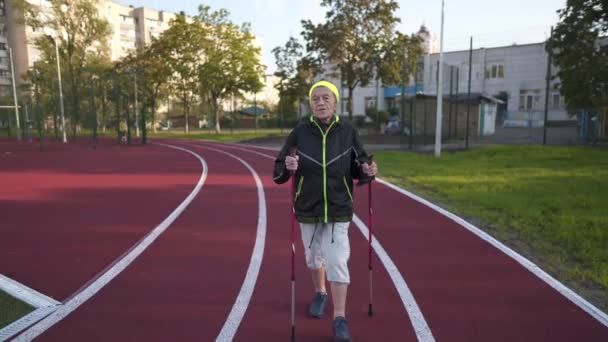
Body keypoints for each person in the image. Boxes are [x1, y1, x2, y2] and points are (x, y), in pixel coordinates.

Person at [273, 80, 378, 342]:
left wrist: (367, 170)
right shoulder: (300, 132)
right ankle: (320, 292)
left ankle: (339, 319)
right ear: (311, 104)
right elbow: (279, 170)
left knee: (338, 261)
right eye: (316, 99)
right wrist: (288, 166)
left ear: (335, 102)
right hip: (307, 206)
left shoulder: (347, 131)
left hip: (339, 207)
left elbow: (360, 162)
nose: (320, 102)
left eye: (325, 98)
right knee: (312, 258)